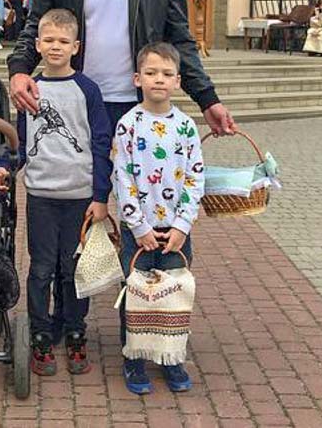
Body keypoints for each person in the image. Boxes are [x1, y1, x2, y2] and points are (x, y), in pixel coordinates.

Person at [7, 0, 235, 344]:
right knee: (80, 218)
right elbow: (34, 29)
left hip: (137, 112)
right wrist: (18, 71)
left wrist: (207, 97)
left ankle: (148, 328)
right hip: (77, 108)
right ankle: (68, 324)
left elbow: (180, 38)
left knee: (145, 218)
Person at [0, 8, 112, 376]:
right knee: (42, 269)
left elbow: (101, 142)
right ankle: (41, 334)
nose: (55, 47)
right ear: (37, 44)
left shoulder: (87, 90)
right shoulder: (29, 87)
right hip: (43, 196)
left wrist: (101, 197)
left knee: (73, 269)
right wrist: (5, 167)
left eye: (63, 41)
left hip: (80, 198)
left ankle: (75, 330)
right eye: (48, 40)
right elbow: (21, 140)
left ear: (76, 46)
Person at [113, 42, 204, 395]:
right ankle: (134, 357)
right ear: (138, 78)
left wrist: (183, 224)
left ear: (178, 81)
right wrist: (138, 227)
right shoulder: (128, 125)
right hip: (140, 229)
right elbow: (122, 178)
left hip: (175, 231)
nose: (158, 80)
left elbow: (195, 177)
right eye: (151, 73)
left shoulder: (185, 126)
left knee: (172, 293)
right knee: (135, 293)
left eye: (166, 74)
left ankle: (170, 356)